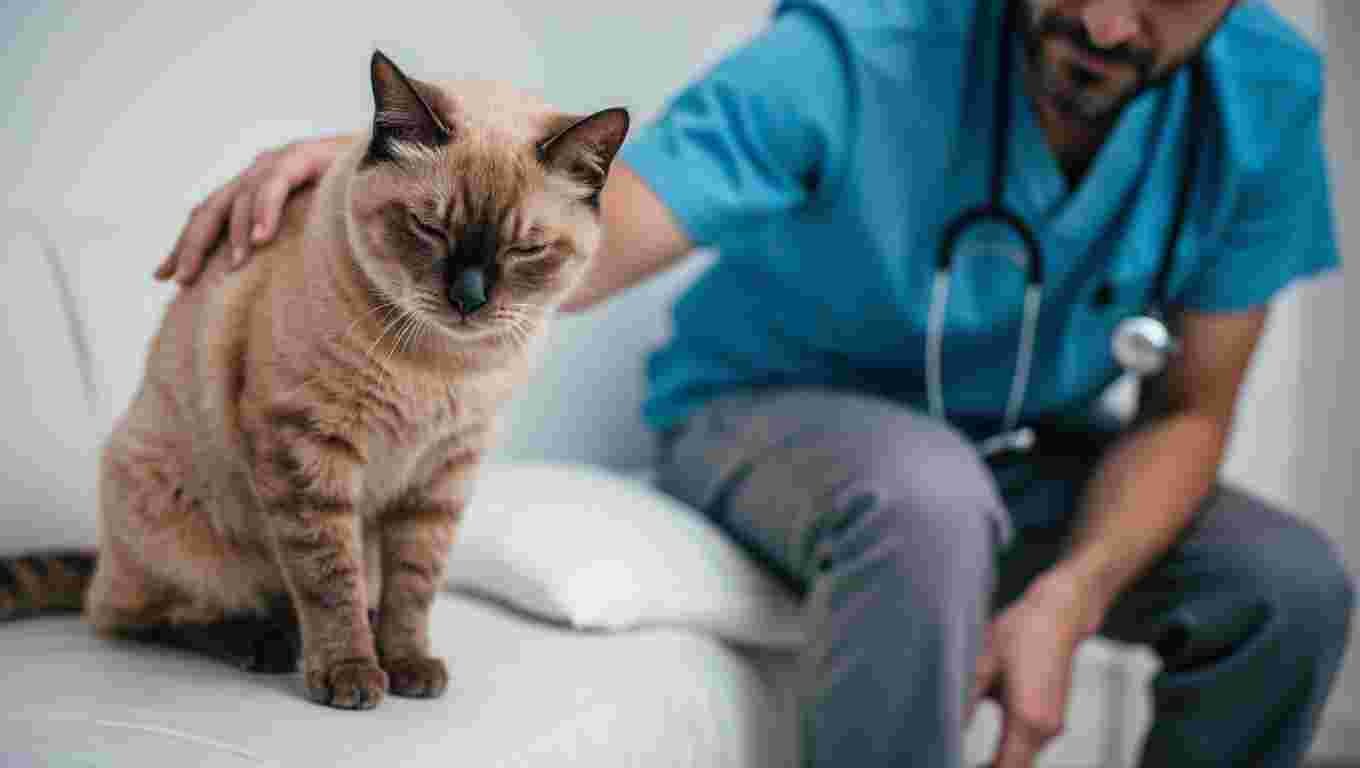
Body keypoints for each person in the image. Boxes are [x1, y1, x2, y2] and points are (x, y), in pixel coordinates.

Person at [157, 0, 1354, 765]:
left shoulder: (1262, 94)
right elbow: (595, 227)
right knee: (922, 495)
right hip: (772, 420)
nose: (1102, 19)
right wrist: (381, 198)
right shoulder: (861, 44)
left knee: (1288, 587)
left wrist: (1070, 596)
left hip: (1028, 457)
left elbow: (1190, 409)